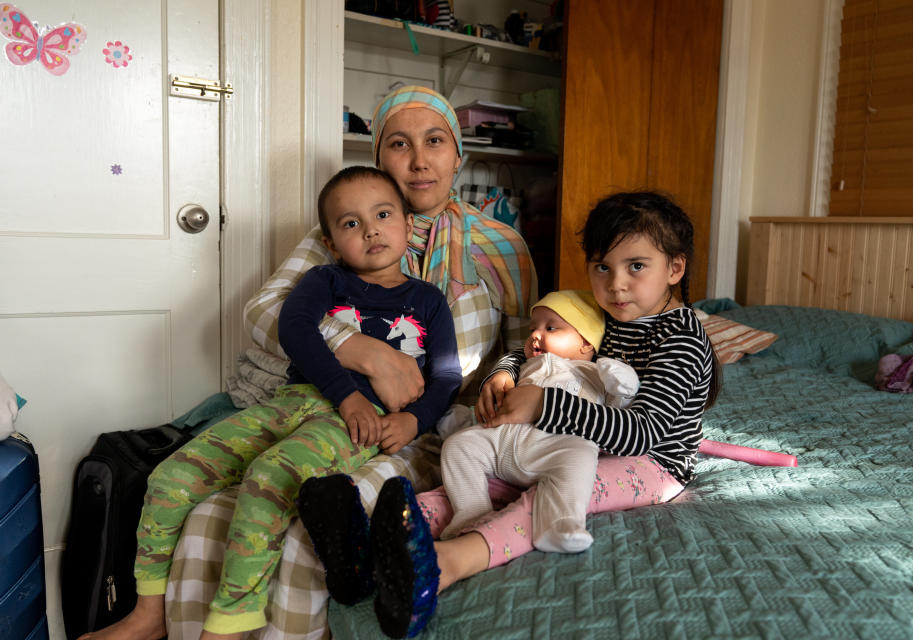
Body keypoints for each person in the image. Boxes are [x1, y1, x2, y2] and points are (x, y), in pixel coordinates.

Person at [295, 190, 721, 638]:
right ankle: (363, 548)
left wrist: (543, 403)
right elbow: (536, 347)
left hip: (653, 463)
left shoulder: (682, 342)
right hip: (573, 441)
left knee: (555, 495)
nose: (615, 284)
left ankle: (450, 563)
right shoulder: (616, 312)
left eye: (636, 266)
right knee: (481, 479)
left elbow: (641, 434)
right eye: (602, 267)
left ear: (675, 267)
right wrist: (503, 373)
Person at [80, 166, 462, 640]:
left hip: (357, 426)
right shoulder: (324, 280)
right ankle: (149, 613)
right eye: (350, 223)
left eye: (383, 214)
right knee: (170, 477)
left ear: (407, 223)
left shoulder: (428, 301)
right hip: (292, 402)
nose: (370, 230)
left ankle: (229, 625)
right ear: (330, 240)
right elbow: (294, 329)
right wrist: (345, 395)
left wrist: (412, 420)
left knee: (269, 480)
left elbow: (446, 377)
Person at [243, 85, 537, 409]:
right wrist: (363, 351)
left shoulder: (503, 244)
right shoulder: (349, 232)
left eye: (435, 140)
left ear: (457, 156)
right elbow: (261, 310)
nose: (419, 161)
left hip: (457, 422)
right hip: (350, 414)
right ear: (378, 159)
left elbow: (524, 349)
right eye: (399, 144)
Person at [436, 289, 639, 550]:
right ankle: (472, 513)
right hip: (503, 443)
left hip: (554, 449)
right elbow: (502, 383)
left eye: (551, 328)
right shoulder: (524, 365)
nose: (535, 335)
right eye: (533, 328)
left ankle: (560, 524)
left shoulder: (594, 372)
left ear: (586, 343)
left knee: (582, 456)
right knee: (458, 446)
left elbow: (618, 408)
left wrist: (622, 381)